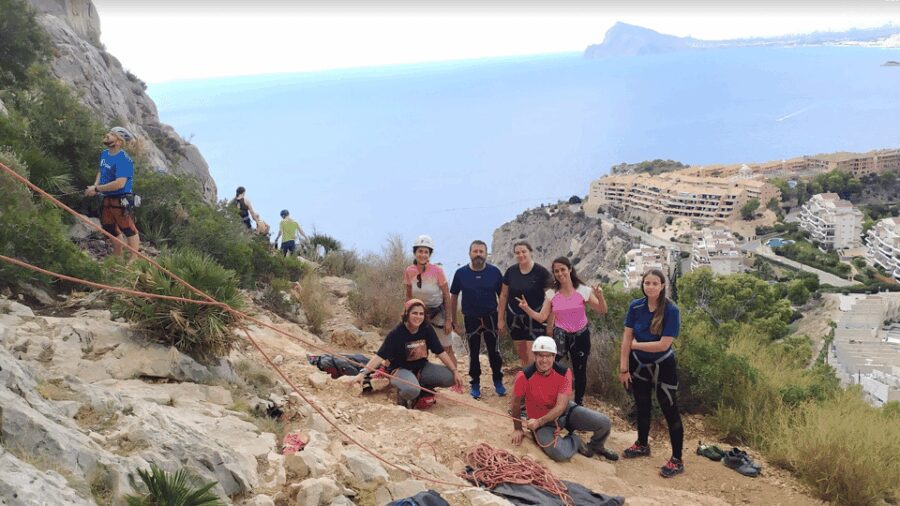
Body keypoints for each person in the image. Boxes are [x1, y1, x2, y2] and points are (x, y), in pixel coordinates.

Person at [619, 269, 684, 478]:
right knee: (642, 404)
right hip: (638, 364)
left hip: (663, 364)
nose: (650, 287)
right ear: (643, 284)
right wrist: (623, 368)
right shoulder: (635, 306)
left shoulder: (671, 310)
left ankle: (676, 459)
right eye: (647, 283)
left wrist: (637, 346)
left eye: (655, 283)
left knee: (669, 408)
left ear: (662, 286)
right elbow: (627, 338)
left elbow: (664, 345)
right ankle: (642, 444)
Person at [516, 256, 607, 406]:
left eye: (563, 269)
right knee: (545, 363)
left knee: (580, 370)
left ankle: (578, 404)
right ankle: (530, 396)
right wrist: (526, 308)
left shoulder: (583, 290)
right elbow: (542, 317)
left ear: (570, 269)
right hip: (560, 335)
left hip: (581, 335)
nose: (560, 273)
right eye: (556, 271)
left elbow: (602, 310)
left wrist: (600, 296)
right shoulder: (552, 294)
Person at [510, 336, 617, 462]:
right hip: (542, 421)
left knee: (604, 423)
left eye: (548, 356)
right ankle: (575, 441)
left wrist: (539, 422)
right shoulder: (524, 376)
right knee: (558, 453)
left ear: (554, 356)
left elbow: (561, 406)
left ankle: (597, 445)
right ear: (535, 356)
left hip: (564, 412)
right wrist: (518, 428)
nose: (544, 360)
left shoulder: (564, 372)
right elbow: (515, 403)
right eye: (541, 355)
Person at [351, 299, 464, 408]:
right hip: (400, 370)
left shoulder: (426, 329)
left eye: (421, 314)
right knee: (412, 390)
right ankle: (402, 395)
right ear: (406, 314)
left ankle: (423, 386)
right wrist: (362, 374)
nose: (418, 317)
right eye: (414, 313)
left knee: (451, 377)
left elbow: (440, 352)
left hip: (422, 368)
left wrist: (455, 371)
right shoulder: (396, 333)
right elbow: (380, 356)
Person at [450, 240, 505, 400]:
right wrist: (454, 320)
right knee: (473, 353)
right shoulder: (461, 273)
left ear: (486, 254)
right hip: (471, 318)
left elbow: (502, 297)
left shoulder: (494, 272)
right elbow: (454, 296)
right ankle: (475, 384)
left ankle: (498, 381)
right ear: (470, 253)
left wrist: (501, 319)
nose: (478, 254)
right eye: (475, 251)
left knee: (494, 352)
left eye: (481, 251)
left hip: (491, 317)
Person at [84, 126, 140, 259]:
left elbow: (119, 183)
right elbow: (101, 171)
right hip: (106, 197)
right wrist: (95, 185)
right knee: (109, 227)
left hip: (120, 198)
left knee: (127, 228)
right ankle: (117, 255)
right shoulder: (105, 154)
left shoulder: (124, 160)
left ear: (119, 141)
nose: (107, 135)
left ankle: (134, 258)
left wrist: (97, 189)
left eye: (112, 134)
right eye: (109, 132)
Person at [404, 235, 457, 368]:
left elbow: (446, 294)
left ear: (430, 254)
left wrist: (448, 320)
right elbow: (409, 295)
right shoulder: (409, 271)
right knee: (417, 347)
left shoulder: (437, 271)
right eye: (420, 251)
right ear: (415, 253)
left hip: (438, 312)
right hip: (418, 313)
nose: (423, 255)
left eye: (426, 252)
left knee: (446, 348)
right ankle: (420, 377)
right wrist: (406, 314)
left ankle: (456, 380)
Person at [498, 241, 551, 367]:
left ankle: (536, 383)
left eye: (523, 251)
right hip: (514, 319)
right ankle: (528, 381)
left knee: (533, 355)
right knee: (522, 356)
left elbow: (551, 297)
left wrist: (550, 322)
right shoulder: (511, 272)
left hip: (535, 319)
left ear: (530, 252)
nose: (520, 255)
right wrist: (500, 319)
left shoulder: (541, 272)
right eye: (517, 253)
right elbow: (503, 295)